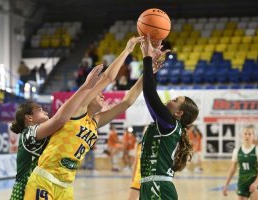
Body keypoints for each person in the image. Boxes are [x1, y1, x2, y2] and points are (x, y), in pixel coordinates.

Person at [24, 35, 168, 199]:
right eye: (98, 94)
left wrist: (147, 73)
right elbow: (107, 78)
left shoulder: (95, 122)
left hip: (66, 186)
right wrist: (128, 49)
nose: (102, 95)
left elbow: (127, 102)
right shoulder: (78, 111)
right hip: (45, 179)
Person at [9, 66, 103, 200]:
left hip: (42, 185)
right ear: (29, 118)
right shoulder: (28, 133)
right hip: (24, 187)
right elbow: (60, 119)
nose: (46, 112)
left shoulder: (44, 133)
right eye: (40, 110)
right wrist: (86, 87)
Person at [139, 35, 199, 200]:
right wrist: (151, 69)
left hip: (158, 188)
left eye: (175, 101)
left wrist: (147, 56)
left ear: (179, 113)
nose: (169, 100)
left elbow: (150, 94)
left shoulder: (170, 124)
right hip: (150, 186)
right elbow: (150, 98)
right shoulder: (166, 124)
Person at [223, 125, 258, 200]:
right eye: (245, 134)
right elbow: (232, 170)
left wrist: (255, 183)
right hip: (242, 183)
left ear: (253, 136)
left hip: (254, 181)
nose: (247, 136)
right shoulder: (237, 150)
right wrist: (226, 185)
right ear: (242, 135)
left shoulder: (257, 150)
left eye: (249, 134)